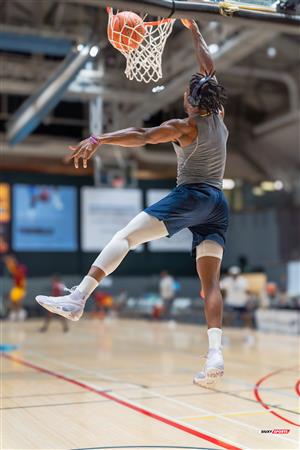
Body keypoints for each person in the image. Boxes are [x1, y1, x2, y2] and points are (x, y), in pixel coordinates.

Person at [36, 18, 228, 386]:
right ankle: (215, 355)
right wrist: (194, 29)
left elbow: (141, 135)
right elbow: (208, 67)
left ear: (191, 99)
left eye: (187, 94)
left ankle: (78, 298)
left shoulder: (185, 125)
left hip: (192, 195)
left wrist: (100, 138)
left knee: (125, 236)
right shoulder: (219, 116)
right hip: (218, 204)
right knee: (212, 283)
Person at [221, 266, 254, 345]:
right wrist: (222, 300)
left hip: (242, 303)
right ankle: (225, 337)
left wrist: (249, 301)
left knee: (247, 319)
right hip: (231, 303)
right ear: (230, 274)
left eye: (236, 274)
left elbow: (248, 292)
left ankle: (248, 336)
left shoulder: (243, 281)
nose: (234, 275)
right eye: (233, 274)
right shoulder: (226, 281)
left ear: (238, 274)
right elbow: (221, 291)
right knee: (227, 319)